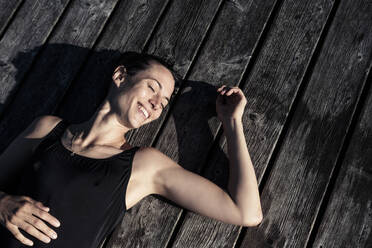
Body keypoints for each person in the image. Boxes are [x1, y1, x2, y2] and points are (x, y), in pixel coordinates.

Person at [0, 52, 263, 247]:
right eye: (152, 87)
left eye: (163, 103)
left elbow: (246, 211)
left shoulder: (144, 166)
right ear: (120, 76)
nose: (156, 104)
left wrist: (232, 123)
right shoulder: (48, 129)